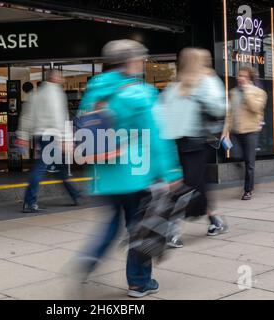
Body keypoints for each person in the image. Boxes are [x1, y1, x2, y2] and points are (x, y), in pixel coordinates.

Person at [76, 40, 183, 298]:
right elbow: (156, 137)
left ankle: (89, 258)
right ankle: (139, 282)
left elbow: (85, 132)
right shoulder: (141, 93)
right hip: (137, 174)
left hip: (103, 175)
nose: (141, 64)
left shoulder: (93, 92)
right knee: (141, 227)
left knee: (110, 224)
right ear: (130, 62)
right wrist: (170, 172)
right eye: (139, 59)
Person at [155, 48, 228, 241]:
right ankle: (215, 219)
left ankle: (173, 231)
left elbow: (160, 113)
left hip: (191, 142)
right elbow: (220, 108)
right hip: (187, 141)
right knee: (194, 186)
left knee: (187, 186)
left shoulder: (181, 85)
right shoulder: (197, 83)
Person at [16, 70, 80, 213]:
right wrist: (66, 139)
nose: (61, 78)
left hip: (41, 135)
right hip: (53, 135)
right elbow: (60, 118)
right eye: (59, 76)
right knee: (41, 168)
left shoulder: (36, 94)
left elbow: (27, 117)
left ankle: (76, 195)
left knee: (60, 168)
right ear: (54, 78)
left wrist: (23, 136)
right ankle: (29, 202)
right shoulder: (56, 94)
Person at [223, 66, 267, 201]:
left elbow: (256, 108)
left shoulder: (259, 93)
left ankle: (248, 190)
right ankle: (249, 177)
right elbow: (229, 113)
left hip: (251, 131)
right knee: (235, 156)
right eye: (239, 75)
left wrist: (247, 92)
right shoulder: (233, 93)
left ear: (249, 78)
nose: (239, 78)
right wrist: (225, 131)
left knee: (249, 161)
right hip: (236, 131)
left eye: (243, 76)